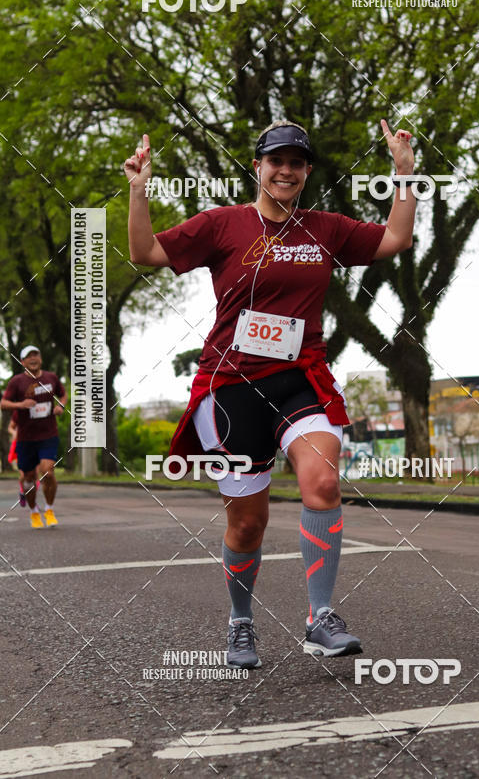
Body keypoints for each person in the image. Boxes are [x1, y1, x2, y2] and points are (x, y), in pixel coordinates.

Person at [125, 119, 416, 667]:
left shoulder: (324, 229)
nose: (286, 171)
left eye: (297, 163)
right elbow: (145, 253)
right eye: (276, 161)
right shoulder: (222, 225)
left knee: (323, 480)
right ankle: (240, 621)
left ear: (306, 173)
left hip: (299, 378)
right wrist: (139, 192)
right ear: (257, 166)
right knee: (247, 523)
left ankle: (320, 617)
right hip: (230, 388)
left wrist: (404, 175)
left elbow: (394, 240)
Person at [1, 346, 67, 528]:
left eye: (36, 355)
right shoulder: (17, 382)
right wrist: (21, 404)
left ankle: (49, 509)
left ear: (41, 359)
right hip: (25, 438)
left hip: (48, 434)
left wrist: (60, 406)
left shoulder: (51, 378)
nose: (33, 358)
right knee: (29, 478)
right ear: (22, 362)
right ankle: (34, 512)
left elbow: (63, 394)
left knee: (48, 470)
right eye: (29, 356)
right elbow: (3, 403)